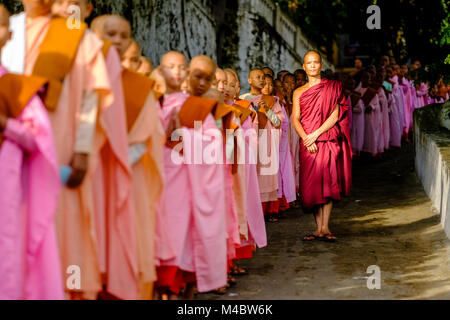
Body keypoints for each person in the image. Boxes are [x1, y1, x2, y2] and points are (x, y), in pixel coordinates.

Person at [1, 0, 117, 300]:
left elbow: (91, 99)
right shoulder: (7, 27)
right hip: (8, 144)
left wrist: (81, 149)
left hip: (59, 144)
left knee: (59, 223)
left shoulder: (78, 35)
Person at [0, 4, 63, 300]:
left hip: (7, 184)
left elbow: (37, 140)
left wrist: (5, 125)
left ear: (9, 33)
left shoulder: (17, 86)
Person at [292, 50, 352, 242]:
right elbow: (295, 118)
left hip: (325, 138)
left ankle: (325, 227)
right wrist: (306, 138)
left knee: (328, 184)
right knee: (311, 188)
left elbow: (335, 115)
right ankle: (317, 228)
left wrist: (315, 135)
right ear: (304, 67)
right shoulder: (298, 92)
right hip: (307, 143)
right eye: (308, 63)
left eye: (315, 62)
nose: (312, 66)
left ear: (321, 65)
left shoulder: (332, 87)